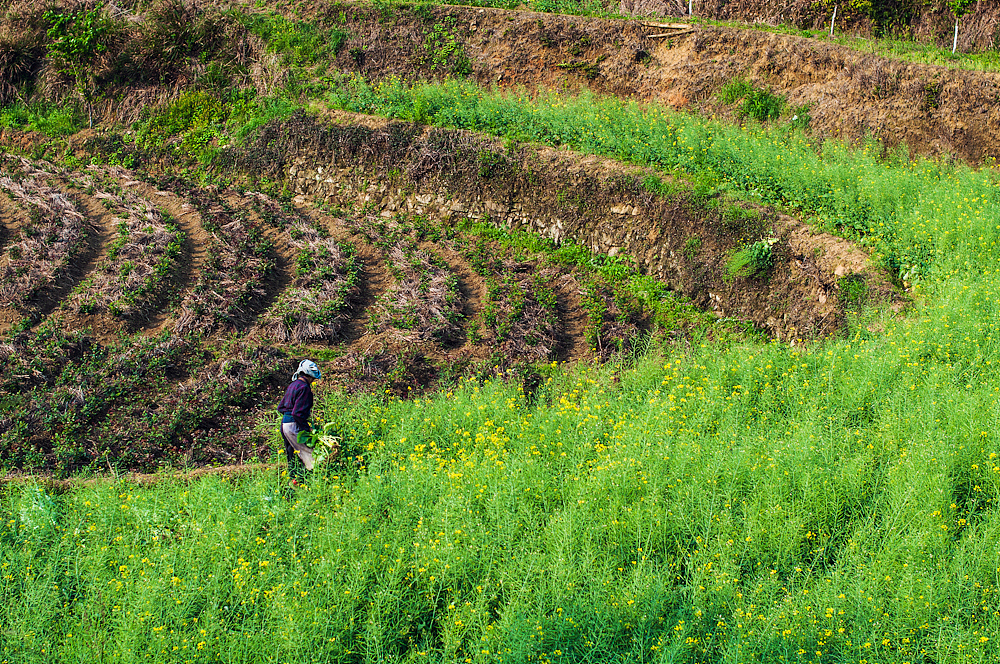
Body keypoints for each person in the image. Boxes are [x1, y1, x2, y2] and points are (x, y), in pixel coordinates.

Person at [277, 359, 321, 485]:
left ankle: (293, 486)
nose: (313, 381)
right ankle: (308, 485)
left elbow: (281, 407)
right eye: (312, 378)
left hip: (285, 425)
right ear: (309, 376)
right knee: (310, 457)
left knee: (293, 457)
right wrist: (307, 429)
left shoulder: (293, 385)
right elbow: (297, 413)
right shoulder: (304, 388)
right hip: (293, 425)